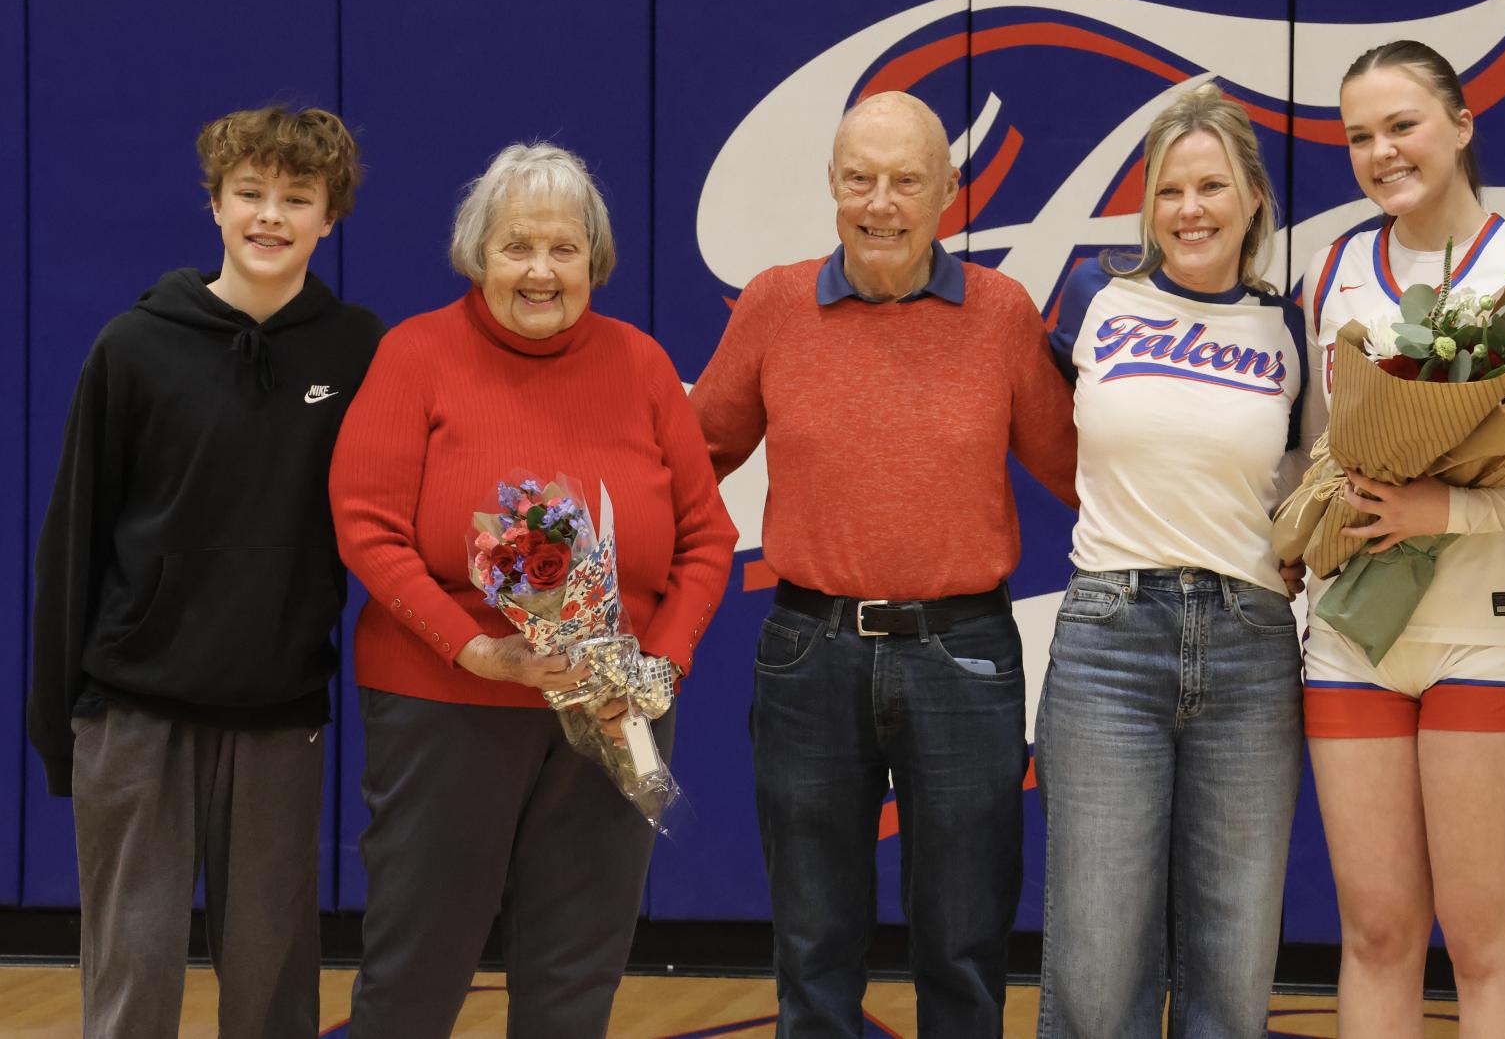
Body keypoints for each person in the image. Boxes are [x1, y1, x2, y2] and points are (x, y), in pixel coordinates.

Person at [691, 90, 1076, 1038]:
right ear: (829, 184)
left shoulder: (1000, 312)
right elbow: (692, 455)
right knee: (814, 949)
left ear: (949, 189)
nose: (881, 203)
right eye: (859, 179)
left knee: (963, 945)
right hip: (807, 653)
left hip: (964, 655)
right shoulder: (777, 304)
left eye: (907, 181)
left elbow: (1080, 473)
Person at [328, 143, 736, 1039]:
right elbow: (366, 524)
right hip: (445, 705)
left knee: (577, 963)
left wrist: (659, 666)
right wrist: (476, 648)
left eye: (564, 249)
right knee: (419, 960)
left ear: (595, 259)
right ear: (478, 256)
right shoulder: (416, 354)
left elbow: (709, 535)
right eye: (517, 247)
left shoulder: (639, 364)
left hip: (615, 710)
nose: (541, 272)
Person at [29, 106, 382, 1039]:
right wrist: (59, 721)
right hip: (134, 708)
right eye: (250, 194)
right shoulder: (134, 346)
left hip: (276, 709)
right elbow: (75, 539)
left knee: (272, 988)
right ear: (215, 206)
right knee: (131, 977)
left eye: (296, 198)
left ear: (328, 218)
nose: (271, 216)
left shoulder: (360, 352)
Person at [1296, 42, 1505, 1038]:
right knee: (1377, 932)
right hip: (1351, 639)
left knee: (1484, 940)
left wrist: (1449, 511)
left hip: (1490, 627)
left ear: (1462, 123)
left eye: (1402, 124)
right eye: (1359, 136)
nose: (1382, 151)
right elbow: (1318, 451)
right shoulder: (1330, 271)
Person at [1037, 82, 1306, 1038]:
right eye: (1167, 191)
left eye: (1211, 187)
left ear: (1253, 201)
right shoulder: (1088, 302)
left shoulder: (1293, 331)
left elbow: (1314, 484)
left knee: (1232, 975)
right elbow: (1042, 439)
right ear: (1148, 207)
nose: (1189, 210)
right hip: (1110, 639)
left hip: (1250, 643)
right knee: (1098, 965)